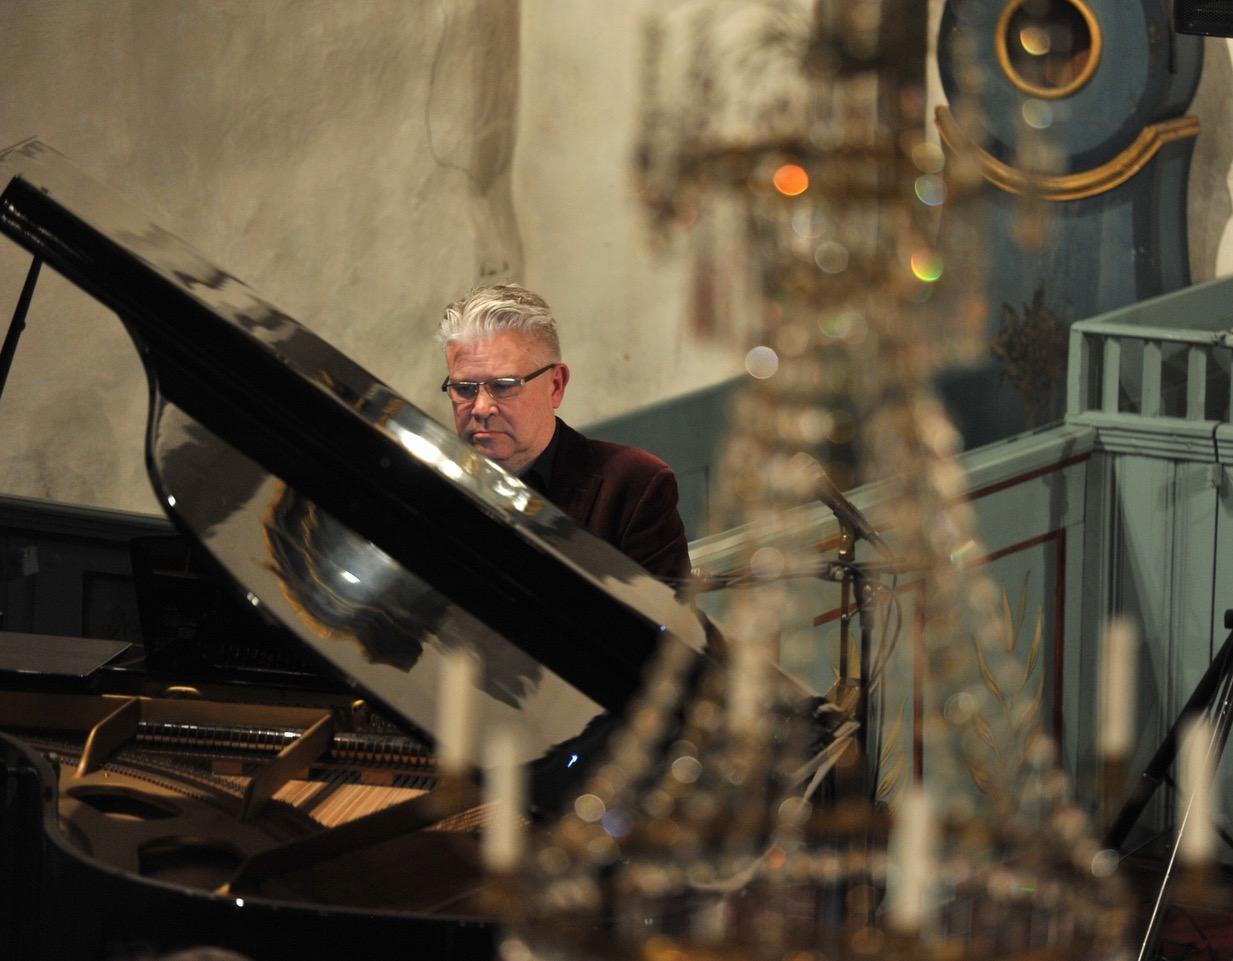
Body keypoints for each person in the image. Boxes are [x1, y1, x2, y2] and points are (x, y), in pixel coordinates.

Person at [438, 283, 691, 581]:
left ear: (556, 385)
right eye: (464, 389)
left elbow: (665, 611)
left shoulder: (634, 486)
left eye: (503, 386)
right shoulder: (430, 485)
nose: (481, 408)